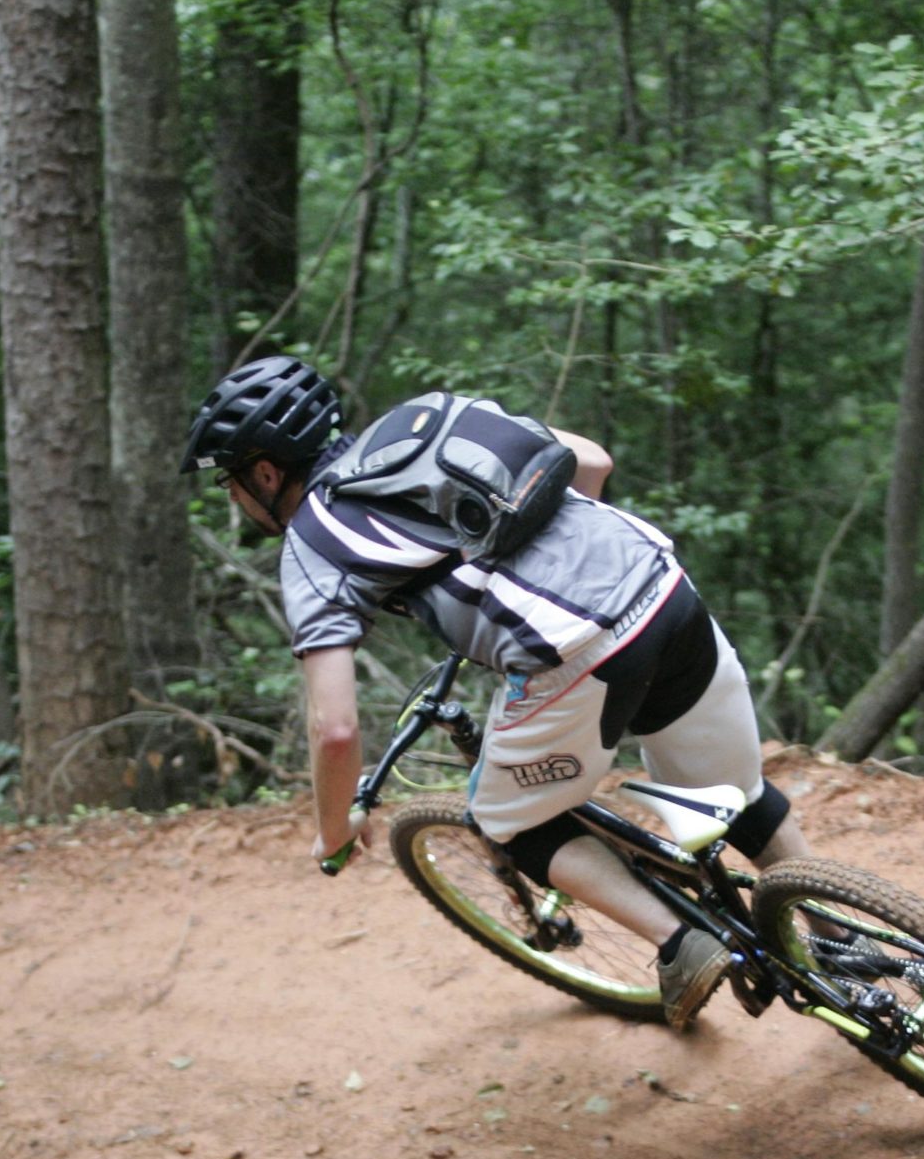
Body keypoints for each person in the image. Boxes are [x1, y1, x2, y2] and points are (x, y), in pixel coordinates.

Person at [180, 354, 813, 1029]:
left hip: (576, 649)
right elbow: (591, 461)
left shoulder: (311, 545)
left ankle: (681, 941)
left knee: (509, 820)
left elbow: (334, 729)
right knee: (727, 793)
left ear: (267, 473)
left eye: (231, 481)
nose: (234, 499)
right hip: (660, 583)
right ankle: (838, 929)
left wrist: (335, 831)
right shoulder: (426, 416)